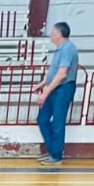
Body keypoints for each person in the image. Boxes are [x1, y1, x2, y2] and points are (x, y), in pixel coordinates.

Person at [34, 22, 79, 166]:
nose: (51, 36)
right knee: (43, 119)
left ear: (59, 35)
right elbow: (53, 71)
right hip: (55, 88)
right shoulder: (60, 49)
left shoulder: (67, 49)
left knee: (58, 122)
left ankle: (57, 155)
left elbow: (61, 74)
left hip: (63, 89)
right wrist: (42, 84)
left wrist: (45, 93)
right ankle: (53, 150)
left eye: (53, 33)